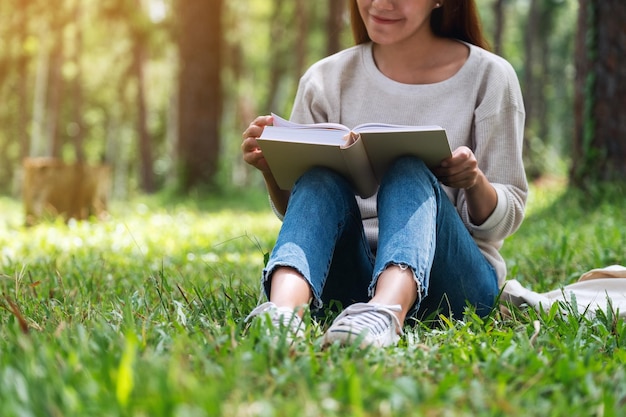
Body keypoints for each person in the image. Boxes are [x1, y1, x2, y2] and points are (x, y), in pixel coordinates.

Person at [242, 0, 527, 348]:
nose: (381, 3)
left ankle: (384, 312)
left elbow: (505, 219)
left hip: (454, 284)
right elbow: (302, 215)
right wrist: (273, 170)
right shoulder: (325, 79)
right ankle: (282, 313)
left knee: (408, 168)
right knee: (318, 178)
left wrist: (474, 181)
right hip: (348, 275)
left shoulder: (489, 77)